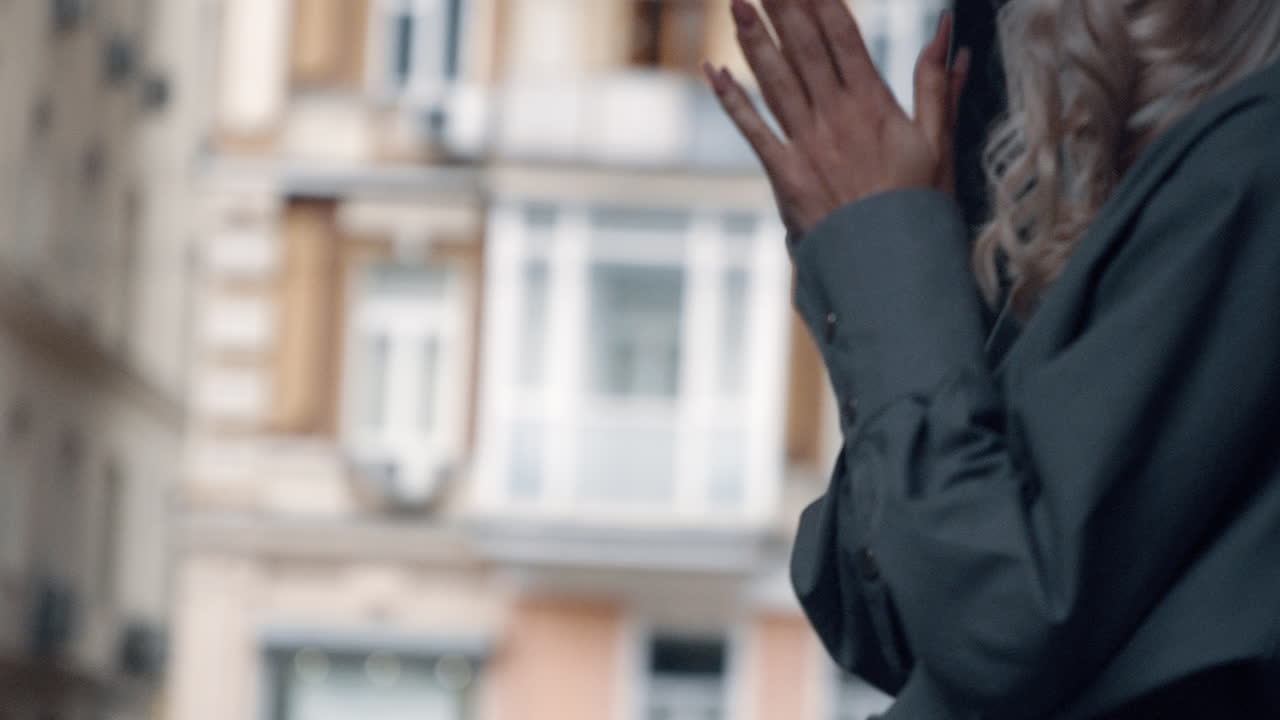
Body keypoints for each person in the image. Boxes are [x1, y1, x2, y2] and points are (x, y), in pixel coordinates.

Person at [703, 0, 1280, 718]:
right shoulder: (1096, 195)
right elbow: (890, 621)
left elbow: (995, 616)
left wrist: (883, 256)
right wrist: (898, 255)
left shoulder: (1252, 162)